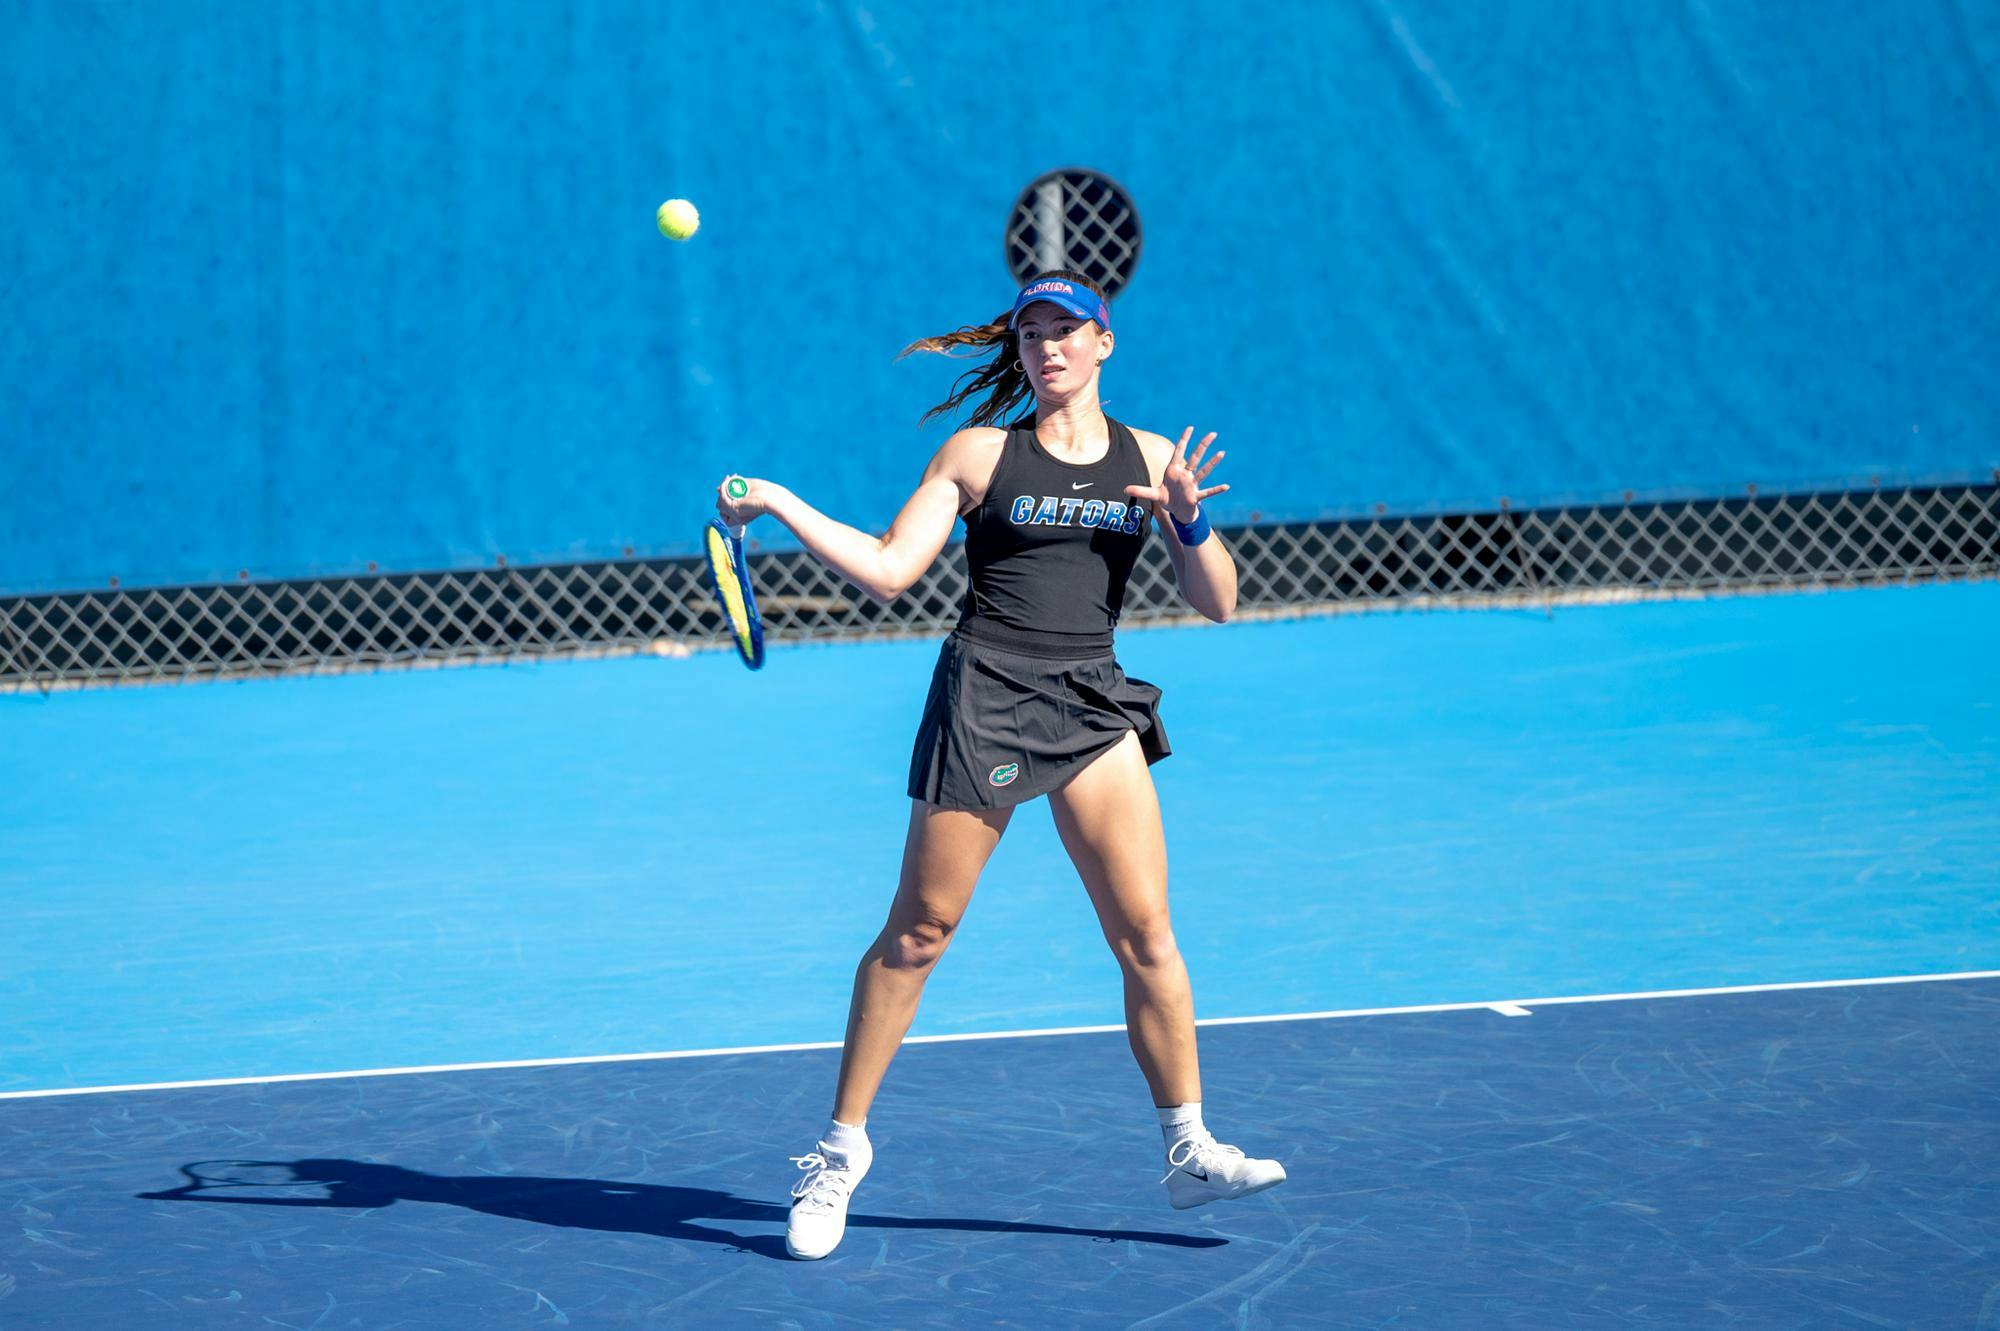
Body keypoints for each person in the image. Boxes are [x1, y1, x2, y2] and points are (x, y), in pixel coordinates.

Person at [714, 270, 1286, 1262]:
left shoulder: (1150, 458)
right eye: (1031, 332)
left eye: (1066, 329)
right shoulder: (979, 454)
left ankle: (1186, 1147)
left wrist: (1187, 523)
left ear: (1103, 343)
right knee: (918, 931)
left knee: (1147, 935)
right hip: (986, 697)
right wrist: (774, 501)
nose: (1048, 345)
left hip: (1090, 701)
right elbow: (893, 568)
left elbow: (1219, 601)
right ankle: (838, 1154)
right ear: (1016, 350)